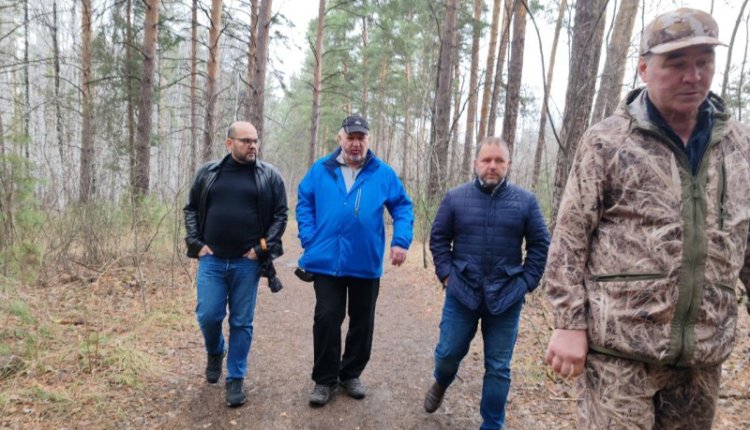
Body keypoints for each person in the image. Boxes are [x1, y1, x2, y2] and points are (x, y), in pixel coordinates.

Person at [544, 8, 750, 429]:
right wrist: (567, 323)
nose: (693, 76)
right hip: (618, 355)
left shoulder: (739, 146)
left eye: (704, 61)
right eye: (676, 63)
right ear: (643, 68)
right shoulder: (607, 141)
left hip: (702, 357)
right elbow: (570, 238)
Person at [422, 137, 550, 429]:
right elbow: (439, 238)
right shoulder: (455, 198)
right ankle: (441, 381)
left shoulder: (526, 202)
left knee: (498, 368)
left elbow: (540, 244)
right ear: (475, 163)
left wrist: (526, 282)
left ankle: (492, 424)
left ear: (508, 164)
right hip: (461, 293)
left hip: (507, 296)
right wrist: (447, 275)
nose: (492, 166)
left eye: (499, 160)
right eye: (487, 160)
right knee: (447, 354)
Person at [296, 114, 414, 407]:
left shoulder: (382, 173)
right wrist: (309, 237)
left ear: (368, 141)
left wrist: (400, 241)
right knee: (326, 317)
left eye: (361, 138)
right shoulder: (321, 169)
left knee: (363, 321)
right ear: (341, 139)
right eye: (351, 137)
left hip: (365, 261)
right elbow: (305, 202)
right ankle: (325, 379)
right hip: (326, 261)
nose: (356, 144)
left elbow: (402, 207)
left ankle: (350, 374)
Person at [184, 121, 288, 407]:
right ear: (229, 143)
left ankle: (235, 378)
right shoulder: (208, 173)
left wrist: (261, 248)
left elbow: (281, 215)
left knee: (241, 322)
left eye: (255, 140)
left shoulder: (269, 175)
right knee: (208, 315)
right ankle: (216, 350)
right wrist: (196, 244)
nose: (252, 145)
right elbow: (191, 209)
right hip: (212, 260)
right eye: (246, 141)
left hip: (247, 263)